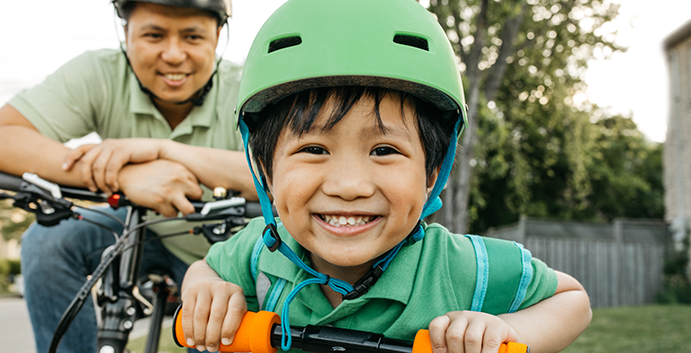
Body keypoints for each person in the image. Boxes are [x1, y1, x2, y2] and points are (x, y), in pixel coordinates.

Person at [178, 0, 593, 352]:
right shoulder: (260, 250)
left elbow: (572, 300)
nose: (349, 186)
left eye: (384, 150)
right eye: (314, 150)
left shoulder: (460, 267)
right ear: (265, 170)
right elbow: (207, 269)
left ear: (433, 170)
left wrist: (509, 332)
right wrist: (206, 291)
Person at [0, 0, 256, 351]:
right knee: (46, 243)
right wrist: (126, 176)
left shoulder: (248, 87)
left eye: (193, 37)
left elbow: (282, 175)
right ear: (125, 33)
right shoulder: (99, 73)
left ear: (218, 37)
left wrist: (166, 151)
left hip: (226, 247)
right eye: (154, 35)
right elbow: (5, 136)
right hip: (140, 227)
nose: (173, 54)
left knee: (226, 332)